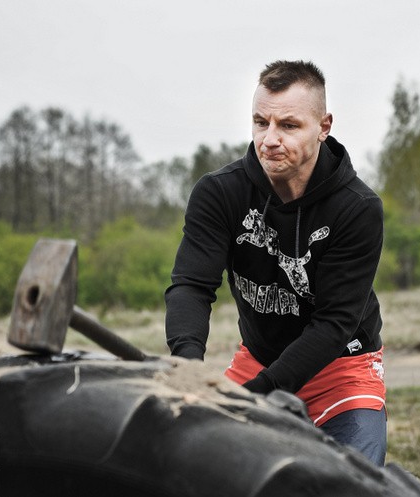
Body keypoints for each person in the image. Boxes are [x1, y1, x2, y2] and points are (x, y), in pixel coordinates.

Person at [165, 60, 387, 464]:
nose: (269, 139)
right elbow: (191, 288)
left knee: (354, 482)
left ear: (323, 126)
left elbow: (335, 323)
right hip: (259, 360)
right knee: (192, 463)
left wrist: (257, 394)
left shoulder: (357, 208)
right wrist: (189, 371)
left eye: (288, 125)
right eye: (260, 122)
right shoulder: (219, 193)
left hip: (340, 370)